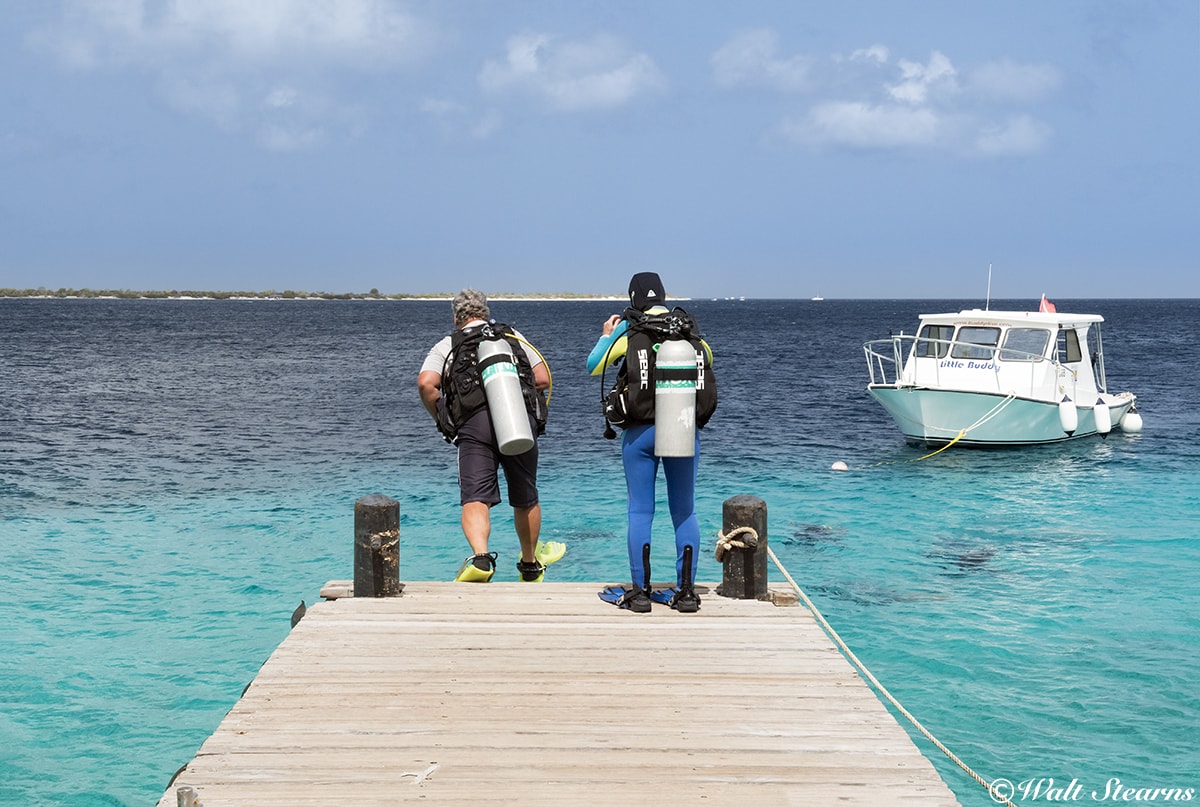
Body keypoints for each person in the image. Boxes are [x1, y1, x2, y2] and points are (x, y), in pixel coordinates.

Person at [586, 272, 714, 613]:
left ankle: (640, 593)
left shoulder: (629, 332)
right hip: (684, 429)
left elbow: (593, 366)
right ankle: (686, 593)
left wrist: (607, 336)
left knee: (640, 510)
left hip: (640, 434)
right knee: (684, 510)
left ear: (633, 299)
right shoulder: (686, 332)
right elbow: (708, 361)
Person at [418, 289, 565, 582]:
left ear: (456, 316)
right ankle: (529, 563)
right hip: (518, 421)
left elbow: (426, 384)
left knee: (475, 497)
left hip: (474, 426)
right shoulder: (511, 337)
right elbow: (542, 378)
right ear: (485, 312)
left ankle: (482, 559)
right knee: (525, 496)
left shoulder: (448, 344)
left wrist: (442, 419)